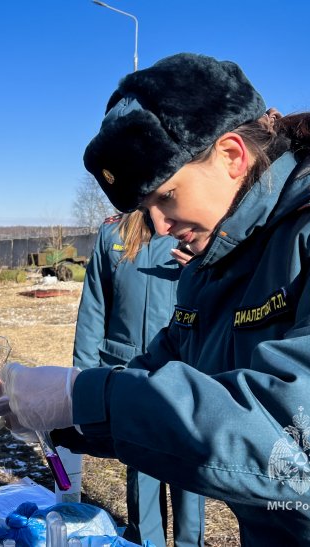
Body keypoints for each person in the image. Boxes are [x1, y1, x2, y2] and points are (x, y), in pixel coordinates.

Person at [0, 53, 310, 545]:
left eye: (165, 196)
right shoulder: (221, 257)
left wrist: (81, 397)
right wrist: (51, 405)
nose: (159, 226)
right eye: (147, 207)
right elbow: (165, 372)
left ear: (231, 155)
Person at [73, 209, 204, 547]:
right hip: (128, 371)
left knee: (187, 469)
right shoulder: (114, 235)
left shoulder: (198, 230)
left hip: (183, 372)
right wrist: (83, 379)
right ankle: (146, 542)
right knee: (142, 467)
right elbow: (93, 309)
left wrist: (202, 268)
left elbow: (227, 298)